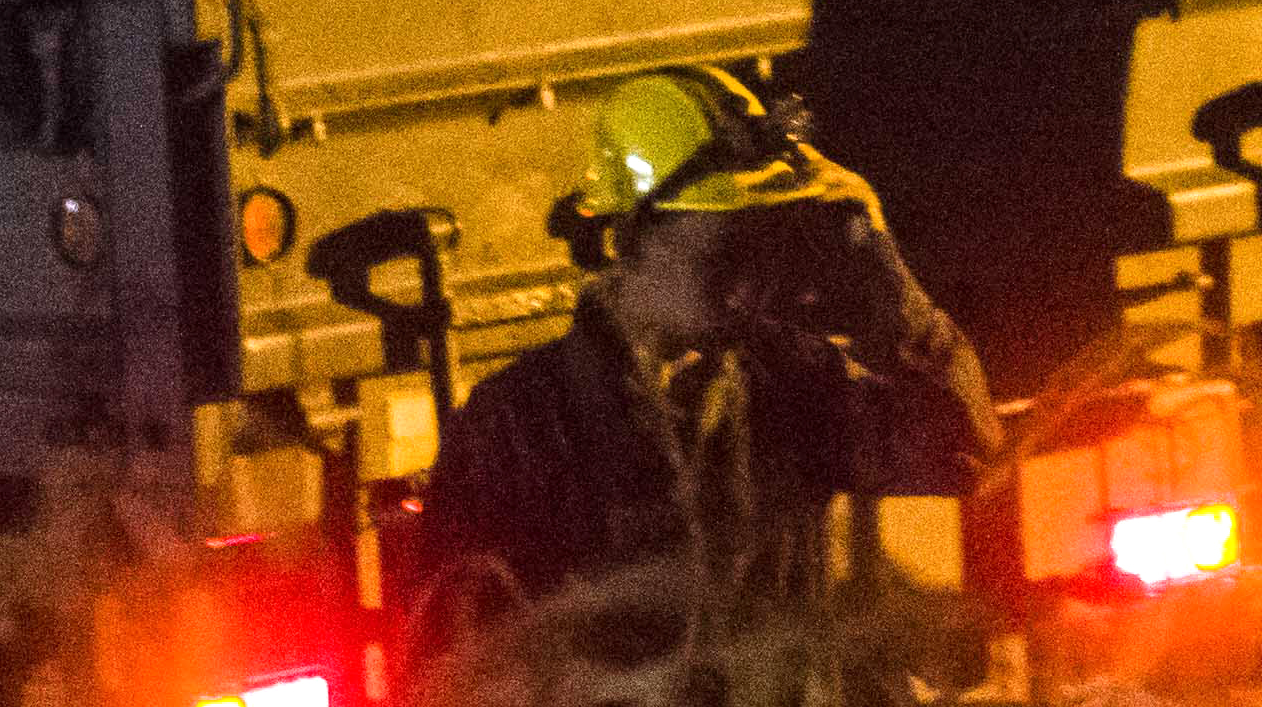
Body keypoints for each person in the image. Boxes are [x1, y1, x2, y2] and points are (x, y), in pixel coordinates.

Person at [427, 66, 999, 643]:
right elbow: (451, 667)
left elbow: (959, 452)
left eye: (763, 237)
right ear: (631, 237)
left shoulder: (785, 383)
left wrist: (878, 266)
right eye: (728, 242)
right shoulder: (518, 426)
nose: (753, 274)